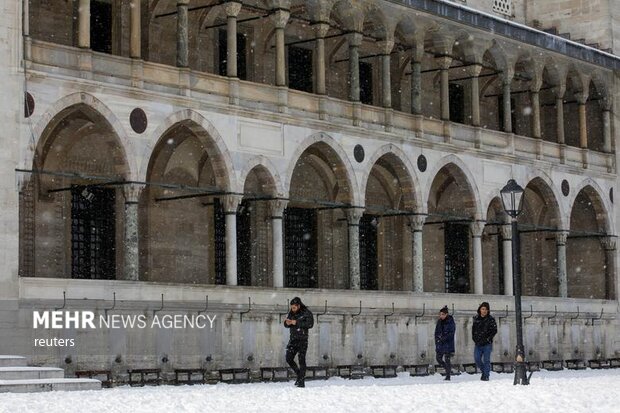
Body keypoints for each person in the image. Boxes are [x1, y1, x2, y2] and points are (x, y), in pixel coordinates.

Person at [284, 296, 314, 388]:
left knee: (302, 360)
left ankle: (301, 382)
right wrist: (287, 323)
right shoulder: (291, 313)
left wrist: (296, 322)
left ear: (299, 306)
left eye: (294, 307)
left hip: (302, 340)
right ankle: (299, 375)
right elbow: (286, 324)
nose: (292, 309)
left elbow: (310, 324)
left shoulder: (307, 313)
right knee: (288, 358)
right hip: (293, 339)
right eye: (291, 307)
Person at [472, 301, 497, 381]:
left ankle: (486, 376)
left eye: (486, 309)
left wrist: (488, 338)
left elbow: (494, 330)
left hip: (487, 344)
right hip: (478, 343)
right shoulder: (476, 319)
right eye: (483, 309)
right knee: (477, 359)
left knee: (486, 360)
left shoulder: (491, 319)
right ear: (480, 310)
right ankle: (484, 372)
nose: (484, 311)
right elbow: (473, 330)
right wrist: (475, 338)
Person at [434, 305, 456, 380]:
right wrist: (437, 340)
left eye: (443, 314)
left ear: (446, 314)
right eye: (440, 314)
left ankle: (448, 375)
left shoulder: (450, 321)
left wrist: (444, 338)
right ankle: (448, 369)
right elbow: (436, 332)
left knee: (447, 359)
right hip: (440, 343)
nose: (441, 316)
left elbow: (452, 332)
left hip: (448, 343)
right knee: (438, 359)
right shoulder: (439, 321)